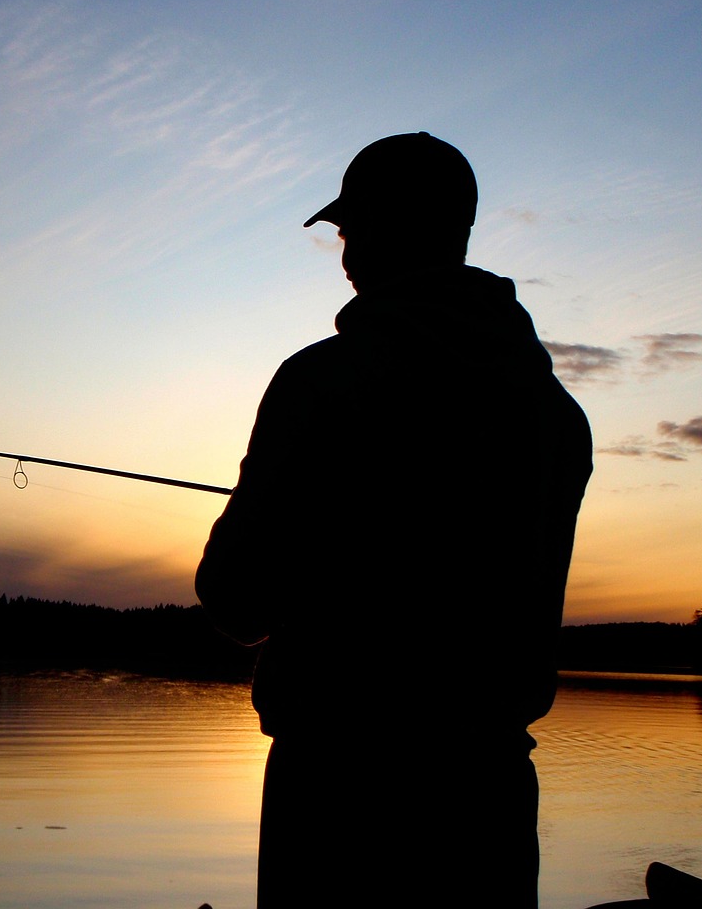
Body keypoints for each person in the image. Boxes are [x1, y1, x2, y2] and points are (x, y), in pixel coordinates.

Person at [195, 132, 592, 908]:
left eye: (350, 231)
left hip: (338, 797)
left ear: (383, 228)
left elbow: (235, 598)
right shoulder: (556, 416)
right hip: (491, 805)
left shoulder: (319, 382)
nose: (343, 256)